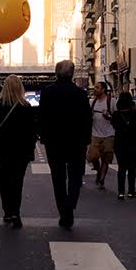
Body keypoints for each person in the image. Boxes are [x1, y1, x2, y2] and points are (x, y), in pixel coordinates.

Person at [39, 60, 92, 229]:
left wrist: (44, 137)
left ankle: (64, 211)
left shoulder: (47, 93)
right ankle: (70, 204)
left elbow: (42, 118)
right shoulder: (81, 94)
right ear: (72, 74)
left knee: (58, 177)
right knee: (76, 176)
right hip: (77, 143)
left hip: (54, 143)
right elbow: (87, 120)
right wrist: (86, 140)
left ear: (56, 73)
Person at [0, 75, 36, 229]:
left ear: (4, 88)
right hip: (21, 152)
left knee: (4, 182)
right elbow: (31, 132)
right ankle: (16, 213)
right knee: (17, 183)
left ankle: (7, 211)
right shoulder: (26, 107)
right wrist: (30, 151)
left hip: (1, 152)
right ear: (20, 88)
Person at [111, 92, 136, 200]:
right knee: (132, 169)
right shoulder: (134, 113)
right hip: (132, 143)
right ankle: (131, 190)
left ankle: (120, 192)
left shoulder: (116, 114)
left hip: (120, 143)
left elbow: (114, 126)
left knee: (121, 168)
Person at [88, 82, 116, 189]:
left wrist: (109, 116)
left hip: (109, 134)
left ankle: (101, 179)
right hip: (95, 134)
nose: (95, 89)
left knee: (106, 158)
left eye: (97, 87)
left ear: (103, 89)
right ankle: (98, 169)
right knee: (92, 156)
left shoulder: (111, 101)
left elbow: (117, 117)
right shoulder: (92, 102)